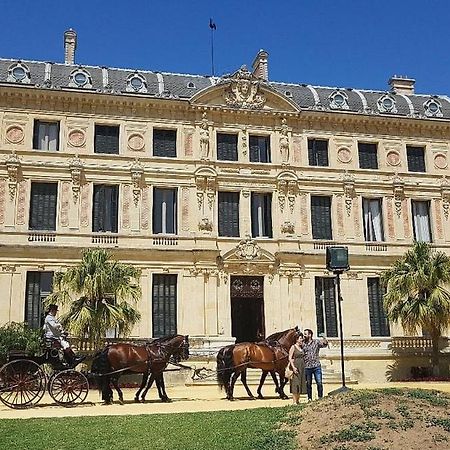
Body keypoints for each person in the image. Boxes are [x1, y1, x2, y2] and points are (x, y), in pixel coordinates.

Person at [302, 328, 328, 401]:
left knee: (319, 382)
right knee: (308, 384)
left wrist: (324, 338)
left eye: (305, 334)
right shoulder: (303, 344)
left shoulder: (316, 342)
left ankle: (320, 397)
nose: (304, 335)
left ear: (310, 335)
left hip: (316, 366)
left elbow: (324, 345)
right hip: (307, 367)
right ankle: (309, 398)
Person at [288, 332, 306, 404]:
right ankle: (294, 401)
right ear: (297, 339)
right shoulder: (293, 347)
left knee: (301, 382)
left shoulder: (302, 347)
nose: (302, 340)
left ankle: (298, 400)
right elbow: (290, 357)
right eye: (301, 338)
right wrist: (293, 367)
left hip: (302, 365)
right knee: (295, 383)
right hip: (296, 365)